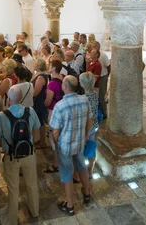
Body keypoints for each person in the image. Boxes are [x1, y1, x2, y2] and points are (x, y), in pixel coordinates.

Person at [0, 86, 41, 225]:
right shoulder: (31, 111)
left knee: (13, 189)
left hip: (11, 157)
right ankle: (35, 210)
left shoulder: (1, 116)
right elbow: (36, 136)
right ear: (22, 97)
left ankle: (10, 219)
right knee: (32, 184)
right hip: (29, 155)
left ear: (9, 99)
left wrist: (4, 146)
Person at [49, 75, 92, 216]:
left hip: (65, 146)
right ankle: (87, 193)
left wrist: (57, 146)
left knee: (67, 174)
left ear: (65, 87)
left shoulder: (60, 106)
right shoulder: (84, 100)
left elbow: (55, 131)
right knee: (82, 168)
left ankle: (70, 205)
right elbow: (90, 119)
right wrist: (86, 136)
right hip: (79, 142)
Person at [80, 72, 99, 176]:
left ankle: (82, 173)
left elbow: (87, 117)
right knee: (92, 148)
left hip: (87, 128)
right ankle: (90, 170)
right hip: (95, 126)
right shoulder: (95, 93)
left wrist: (86, 133)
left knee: (82, 150)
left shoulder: (84, 98)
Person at [32, 59, 50, 148]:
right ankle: (40, 139)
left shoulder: (40, 77)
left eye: (35, 63)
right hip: (38, 100)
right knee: (39, 121)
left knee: (40, 122)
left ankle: (43, 142)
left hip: (39, 101)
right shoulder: (39, 75)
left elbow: (36, 92)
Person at [93, 41, 111, 119]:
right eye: (92, 46)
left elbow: (108, 66)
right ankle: (98, 111)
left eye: (94, 46)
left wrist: (106, 76)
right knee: (96, 95)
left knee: (102, 95)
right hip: (95, 77)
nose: (93, 48)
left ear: (98, 47)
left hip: (103, 76)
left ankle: (104, 113)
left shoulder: (103, 56)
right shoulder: (92, 55)